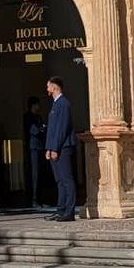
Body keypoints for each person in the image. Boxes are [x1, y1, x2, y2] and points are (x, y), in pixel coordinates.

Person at [44, 76, 78, 222]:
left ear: (55, 87)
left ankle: (69, 211)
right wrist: (48, 148)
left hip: (63, 147)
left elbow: (61, 129)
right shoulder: (55, 104)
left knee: (66, 179)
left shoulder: (63, 103)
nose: (47, 89)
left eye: (48, 86)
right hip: (55, 148)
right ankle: (61, 209)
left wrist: (55, 148)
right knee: (59, 180)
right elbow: (52, 130)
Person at [23, 95, 46, 208]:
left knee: (40, 173)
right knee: (34, 173)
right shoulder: (28, 117)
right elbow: (35, 131)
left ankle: (40, 198)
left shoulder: (38, 117)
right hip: (33, 147)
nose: (38, 106)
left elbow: (42, 129)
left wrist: (42, 129)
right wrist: (41, 129)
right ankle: (34, 199)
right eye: (37, 104)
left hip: (40, 146)